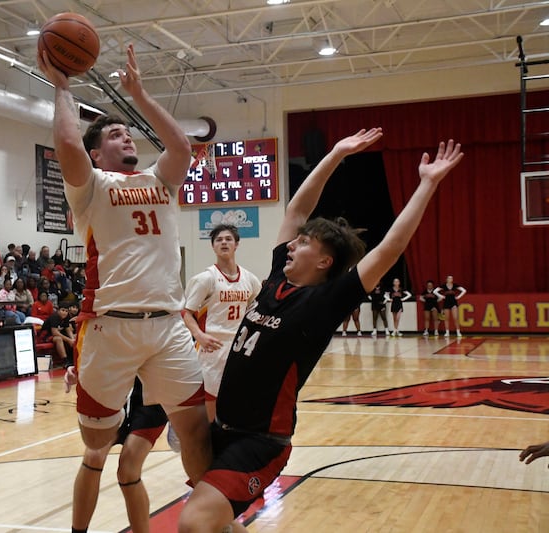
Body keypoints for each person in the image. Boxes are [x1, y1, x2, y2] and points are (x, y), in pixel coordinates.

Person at [178, 131, 464, 532]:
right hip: (221, 428)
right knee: (217, 513)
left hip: (259, 443)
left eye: (305, 242)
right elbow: (297, 209)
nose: (293, 243)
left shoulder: (324, 303)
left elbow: (391, 248)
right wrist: (335, 154)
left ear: (326, 261)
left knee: (194, 523)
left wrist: (427, 183)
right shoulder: (277, 277)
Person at [38, 42, 211, 489]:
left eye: (127, 133)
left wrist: (141, 96)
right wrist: (61, 85)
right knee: (95, 440)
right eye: (114, 135)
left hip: (167, 326)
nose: (126, 137)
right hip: (109, 327)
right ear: (97, 154)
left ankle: (214, 518)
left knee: (196, 429)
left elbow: (180, 148)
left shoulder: (160, 180)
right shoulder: (91, 186)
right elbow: (67, 142)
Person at [65, 369, 167, 533]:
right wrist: (78, 367)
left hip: (152, 395)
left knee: (128, 470)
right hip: (116, 386)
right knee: (94, 455)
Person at [182, 224, 261, 422]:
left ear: (236, 245)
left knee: (237, 401)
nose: (224, 242)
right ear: (213, 247)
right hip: (211, 348)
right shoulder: (205, 279)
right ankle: (208, 440)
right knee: (211, 405)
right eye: (219, 240)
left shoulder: (250, 279)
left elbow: (257, 310)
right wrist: (199, 336)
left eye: (228, 239)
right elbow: (185, 312)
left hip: (238, 347)